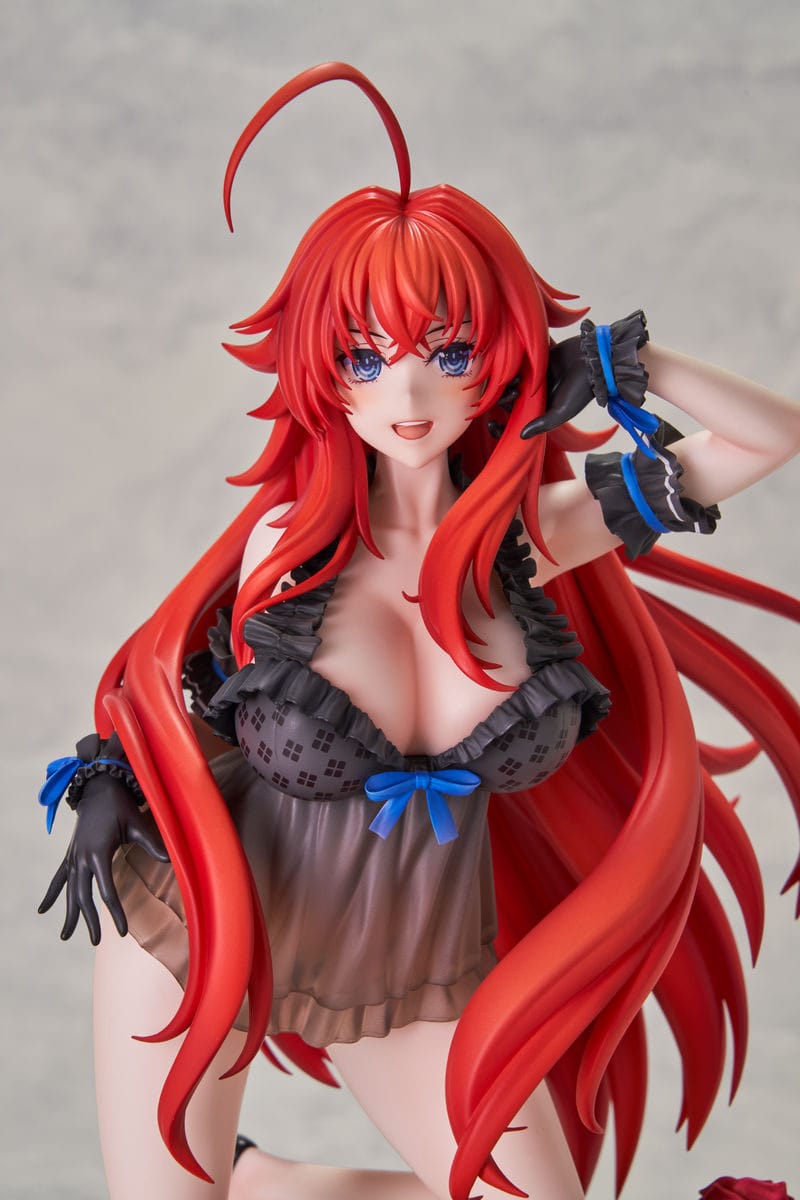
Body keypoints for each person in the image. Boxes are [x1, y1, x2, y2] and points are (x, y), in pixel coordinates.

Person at [38, 64, 800, 1200]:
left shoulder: (531, 543)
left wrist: (612, 362)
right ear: (320, 370)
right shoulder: (289, 544)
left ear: (500, 358)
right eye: (363, 355)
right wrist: (108, 779)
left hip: (413, 963)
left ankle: (266, 1182)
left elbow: (769, 438)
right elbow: (176, 677)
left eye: (447, 353)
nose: (405, 396)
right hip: (204, 916)